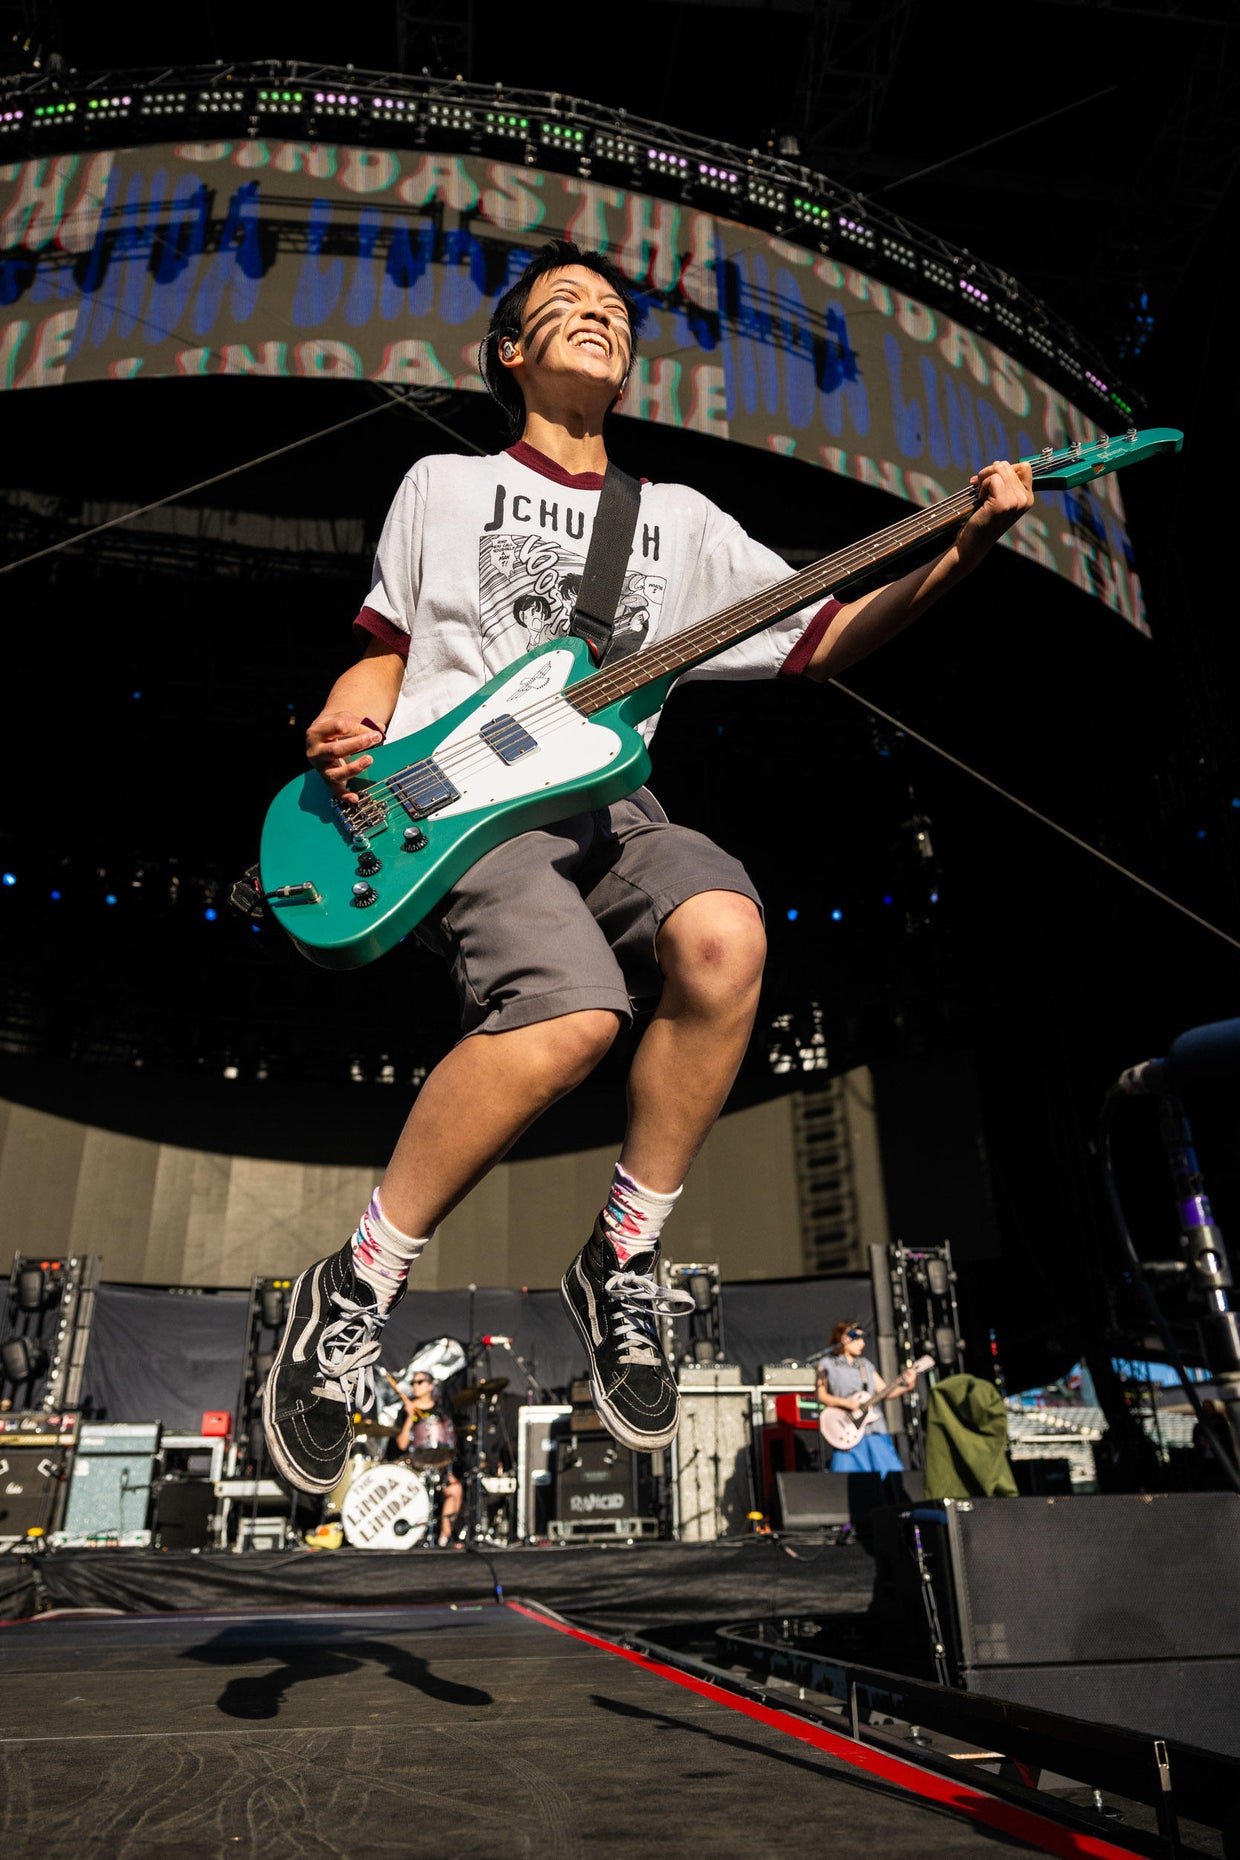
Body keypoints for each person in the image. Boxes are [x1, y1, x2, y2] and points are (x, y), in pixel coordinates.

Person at [262, 237, 1034, 1499]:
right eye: (564, 304)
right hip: (453, 810)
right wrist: (349, 717)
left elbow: (824, 635)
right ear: (510, 354)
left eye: (616, 310)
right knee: (571, 1015)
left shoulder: (675, 524)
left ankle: (625, 1259)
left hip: (608, 804)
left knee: (726, 933)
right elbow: (386, 643)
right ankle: (354, 1287)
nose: (597, 317)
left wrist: (965, 544)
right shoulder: (442, 484)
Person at [816, 1321, 916, 1475]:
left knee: (891, 1475)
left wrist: (907, 1386)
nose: (862, 1343)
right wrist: (847, 1403)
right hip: (847, 1430)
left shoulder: (866, 1365)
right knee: (849, 1480)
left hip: (874, 1429)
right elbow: (821, 1395)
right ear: (844, 1338)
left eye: (863, 1339)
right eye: (858, 1339)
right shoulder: (827, 1364)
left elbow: (885, 1392)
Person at [390, 1370, 463, 1547]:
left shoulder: (440, 1412)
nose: (415, 1386)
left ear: (430, 1386)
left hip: (437, 1464)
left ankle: (445, 1538)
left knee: (455, 1489)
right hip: (414, 1465)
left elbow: (449, 1445)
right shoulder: (406, 1410)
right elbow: (401, 1444)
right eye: (413, 1383)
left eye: (420, 1382)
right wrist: (409, 1417)